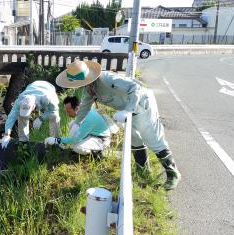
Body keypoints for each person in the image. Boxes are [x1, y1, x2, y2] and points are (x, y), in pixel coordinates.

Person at [55, 60, 181, 190]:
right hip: (126, 112)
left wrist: (128, 110)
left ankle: (173, 174)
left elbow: (135, 88)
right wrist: (76, 123)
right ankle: (142, 171)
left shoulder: (107, 79)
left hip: (141, 105)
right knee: (134, 140)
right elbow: (85, 107)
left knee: (153, 139)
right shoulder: (89, 89)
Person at [44, 96, 111, 157]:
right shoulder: (84, 109)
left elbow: (75, 139)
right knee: (72, 124)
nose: (67, 114)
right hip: (92, 133)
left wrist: (57, 140)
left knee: (78, 148)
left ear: (76, 108)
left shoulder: (88, 119)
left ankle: (98, 152)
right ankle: (76, 145)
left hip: (101, 139)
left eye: (69, 112)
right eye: (66, 111)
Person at [1, 80, 60, 149]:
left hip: (48, 88)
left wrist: (41, 118)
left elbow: (54, 110)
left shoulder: (47, 98)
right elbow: (11, 116)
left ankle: (56, 143)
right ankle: (23, 141)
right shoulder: (20, 100)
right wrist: (7, 134)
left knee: (55, 117)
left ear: (34, 106)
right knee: (22, 115)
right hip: (32, 86)